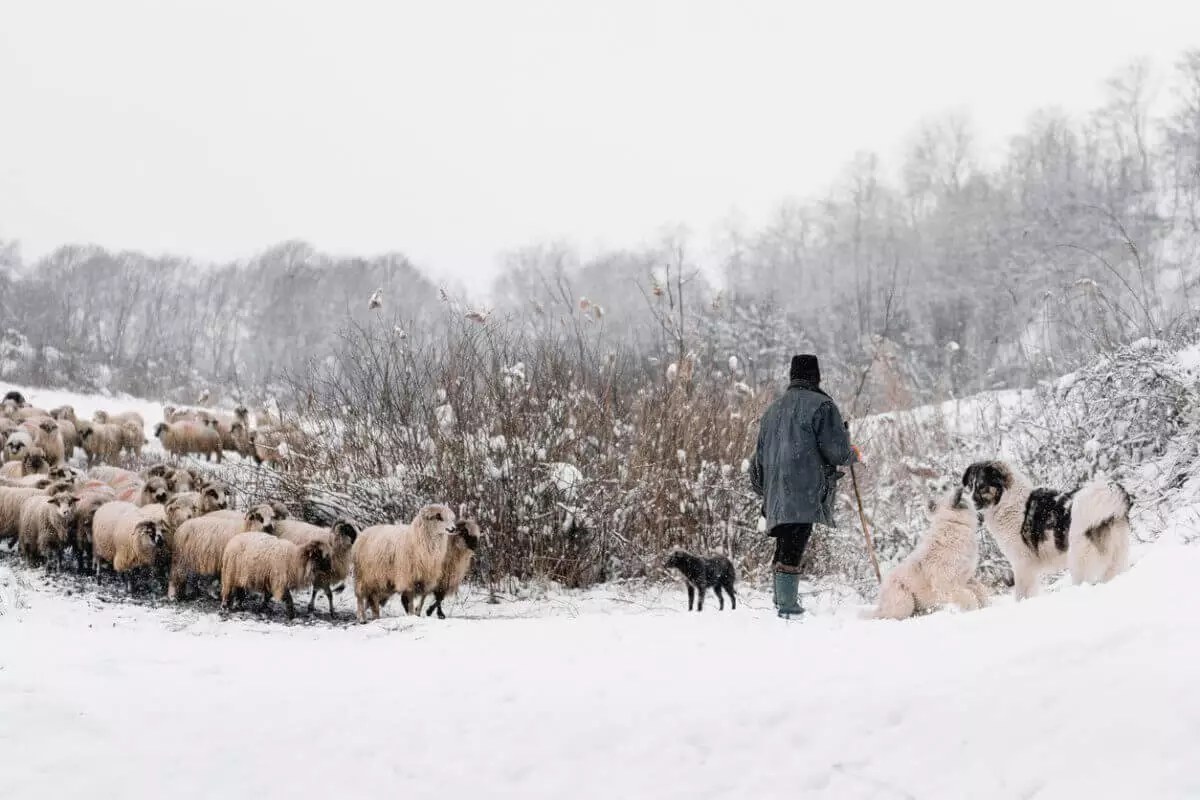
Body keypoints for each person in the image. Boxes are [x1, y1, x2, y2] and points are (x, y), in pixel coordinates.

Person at [749, 354, 863, 618]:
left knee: (785, 543)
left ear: (791, 376)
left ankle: (781, 602)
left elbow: (757, 462)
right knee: (794, 543)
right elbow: (836, 452)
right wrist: (852, 453)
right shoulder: (822, 406)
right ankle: (788, 608)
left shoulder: (772, 411)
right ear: (817, 376)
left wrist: (766, 489)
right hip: (805, 489)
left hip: (775, 492)